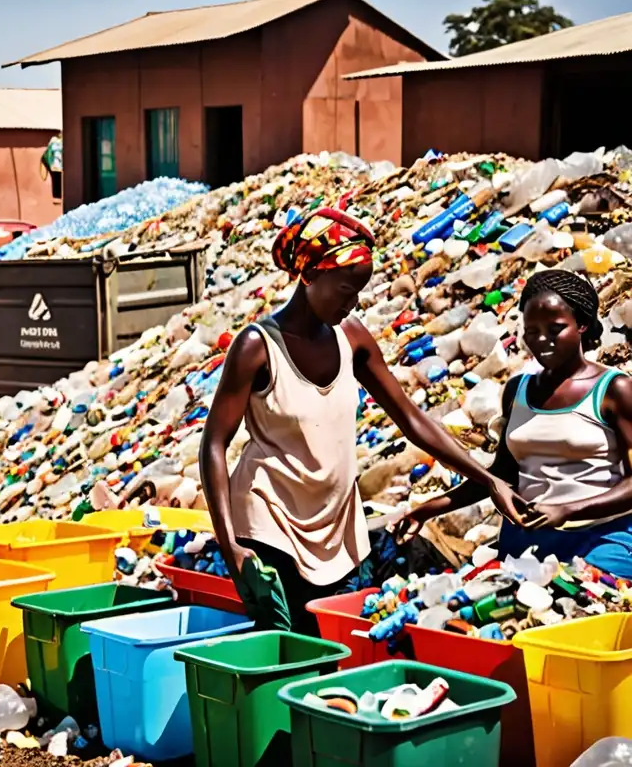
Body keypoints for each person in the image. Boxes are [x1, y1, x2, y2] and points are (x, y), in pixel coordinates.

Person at [199, 207, 522, 636]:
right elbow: (214, 444)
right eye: (346, 289)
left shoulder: (351, 338)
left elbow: (411, 419)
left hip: (338, 526)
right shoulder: (257, 347)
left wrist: (487, 479)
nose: (354, 303)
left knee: (343, 646)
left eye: (359, 292)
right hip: (270, 520)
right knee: (289, 648)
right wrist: (231, 544)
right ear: (310, 275)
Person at [392, 269, 632, 577]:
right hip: (528, 540)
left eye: (555, 329)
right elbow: (504, 475)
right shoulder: (517, 391)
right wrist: (430, 507)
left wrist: (568, 509)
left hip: (601, 540)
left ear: (582, 325)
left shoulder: (614, 390)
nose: (541, 341)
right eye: (532, 332)